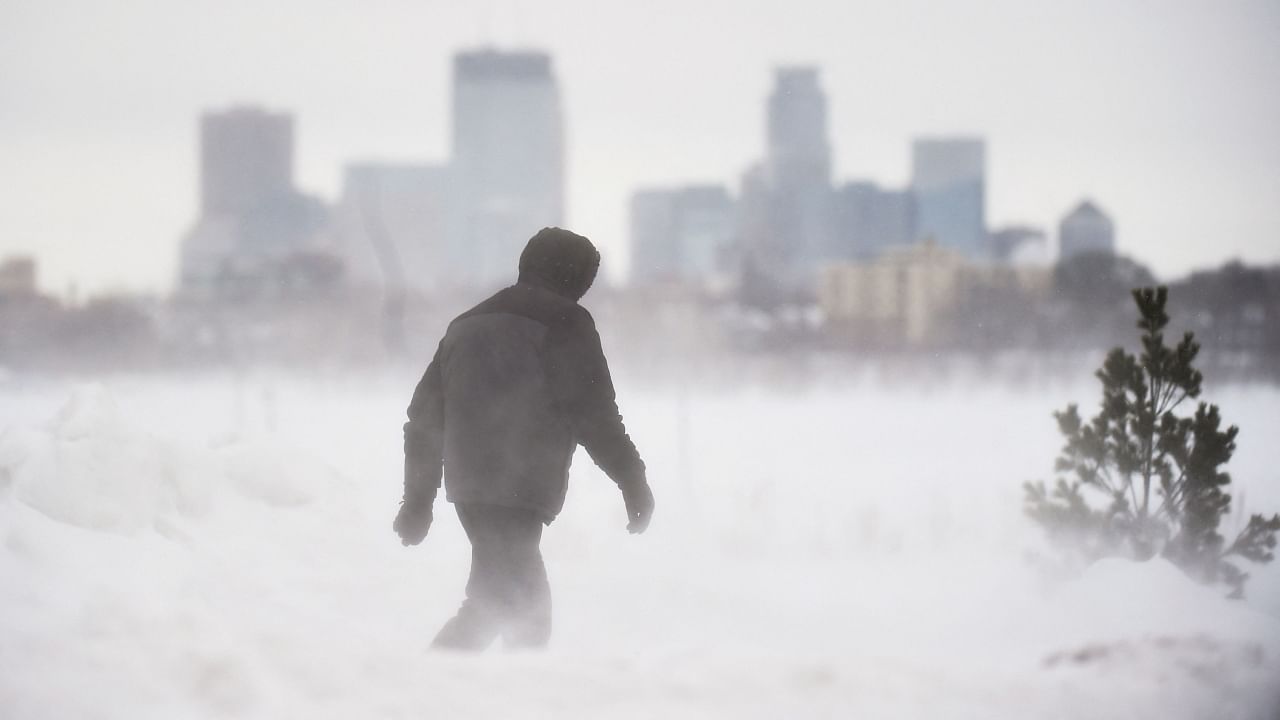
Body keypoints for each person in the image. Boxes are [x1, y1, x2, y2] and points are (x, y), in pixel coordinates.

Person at [393, 226, 655, 651]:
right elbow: (594, 414)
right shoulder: (566, 322)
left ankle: (451, 693)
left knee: (495, 603)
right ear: (575, 276)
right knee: (524, 613)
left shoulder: (466, 323)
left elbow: (423, 419)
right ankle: (444, 694)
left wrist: (418, 502)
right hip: (519, 488)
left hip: (471, 490)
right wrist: (633, 481)